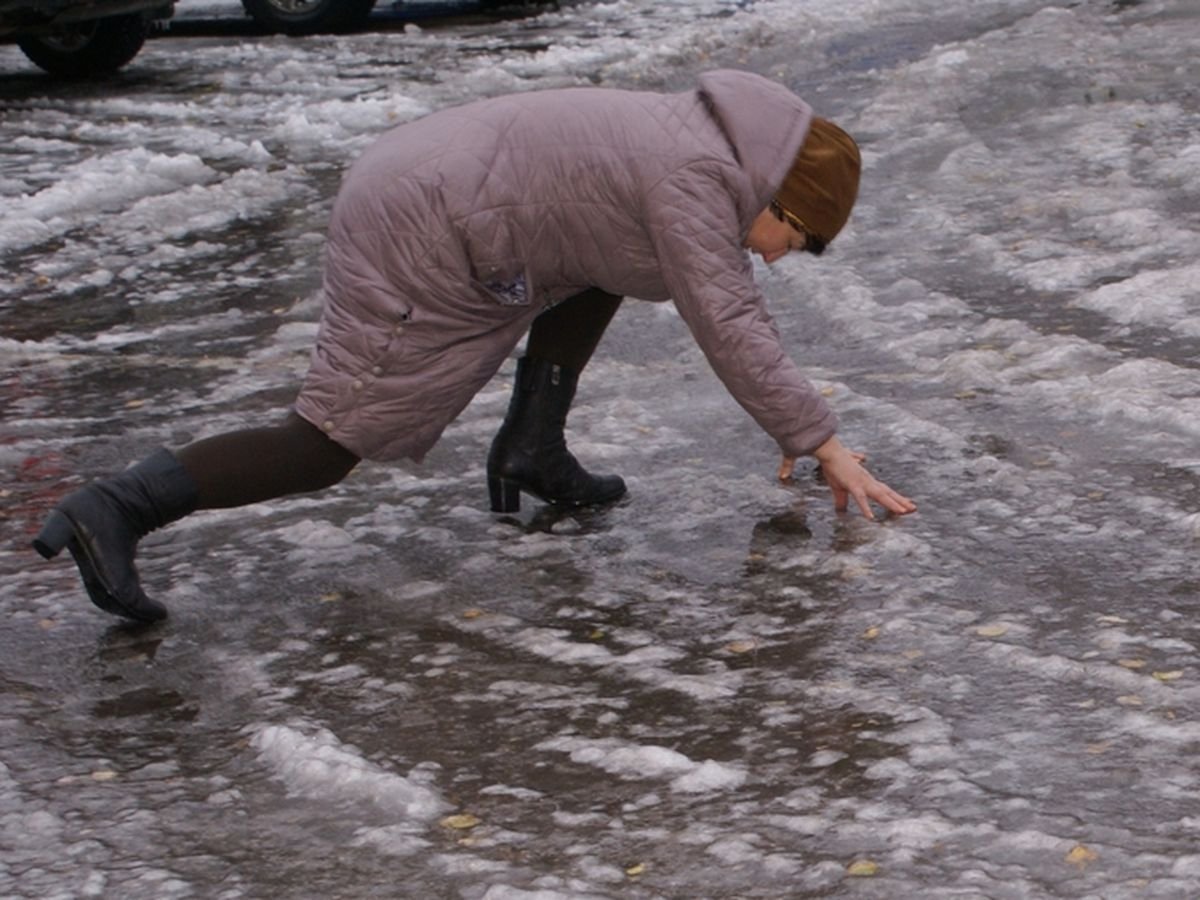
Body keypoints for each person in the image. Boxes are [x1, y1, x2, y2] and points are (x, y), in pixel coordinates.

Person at [32, 69, 916, 624]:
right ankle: (118, 506)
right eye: (792, 234)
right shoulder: (696, 179)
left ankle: (533, 446)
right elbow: (729, 320)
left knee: (609, 258)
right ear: (774, 188)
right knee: (334, 440)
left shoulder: (699, 142)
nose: (776, 253)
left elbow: (637, 252)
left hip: (441, 184)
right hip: (419, 218)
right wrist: (821, 441)